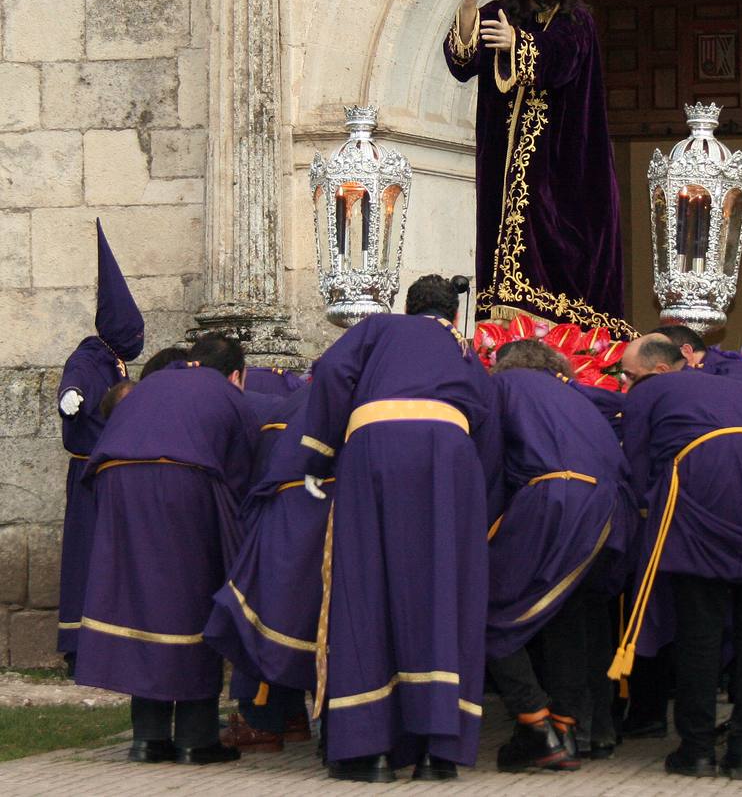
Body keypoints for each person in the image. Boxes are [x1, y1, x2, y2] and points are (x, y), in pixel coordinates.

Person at [295, 275, 500, 783]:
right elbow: (489, 422)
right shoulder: (465, 350)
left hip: (374, 449)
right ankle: (437, 753)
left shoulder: (379, 328)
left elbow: (333, 371)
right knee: (440, 595)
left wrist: (317, 453)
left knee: (365, 586)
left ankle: (371, 752)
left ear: (409, 308)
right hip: (449, 460)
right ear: (453, 315)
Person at [612, 335, 742, 780]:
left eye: (628, 374)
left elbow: (638, 463)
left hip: (707, 489)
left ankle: (698, 749)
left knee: (699, 631)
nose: (626, 383)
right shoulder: (741, 388)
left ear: (658, 371)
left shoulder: (650, 391)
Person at [75, 334, 257, 765]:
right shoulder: (228, 394)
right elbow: (242, 476)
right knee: (193, 602)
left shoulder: (152, 383)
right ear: (236, 374)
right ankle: (195, 738)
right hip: (179, 483)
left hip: (113, 482)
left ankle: (149, 738)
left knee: (143, 604)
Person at [444, 0, 632, 336]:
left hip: (559, 161)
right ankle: (501, 333)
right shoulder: (500, 13)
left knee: (555, 245)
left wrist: (519, 43)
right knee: (501, 247)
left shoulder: (576, 20)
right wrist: (470, 5)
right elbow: (463, 63)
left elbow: (563, 61)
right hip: (501, 162)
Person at [484, 339, 633, 770]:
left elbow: (491, 460)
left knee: (491, 610)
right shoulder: (577, 395)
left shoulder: (504, 387)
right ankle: (568, 726)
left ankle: (535, 726)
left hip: (556, 500)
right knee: (569, 615)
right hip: (611, 509)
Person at [54, 220, 144, 672]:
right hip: (88, 474)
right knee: (86, 553)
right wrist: (69, 398)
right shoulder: (91, 357)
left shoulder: (116, 361)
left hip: (109, 474)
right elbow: (75, 383)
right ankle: (77, 645)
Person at [210, 383, 316, 754]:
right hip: (320, 518)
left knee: (268, 616)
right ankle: (285, 717)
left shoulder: (292, 403)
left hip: (285, 518)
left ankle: (266, 719)